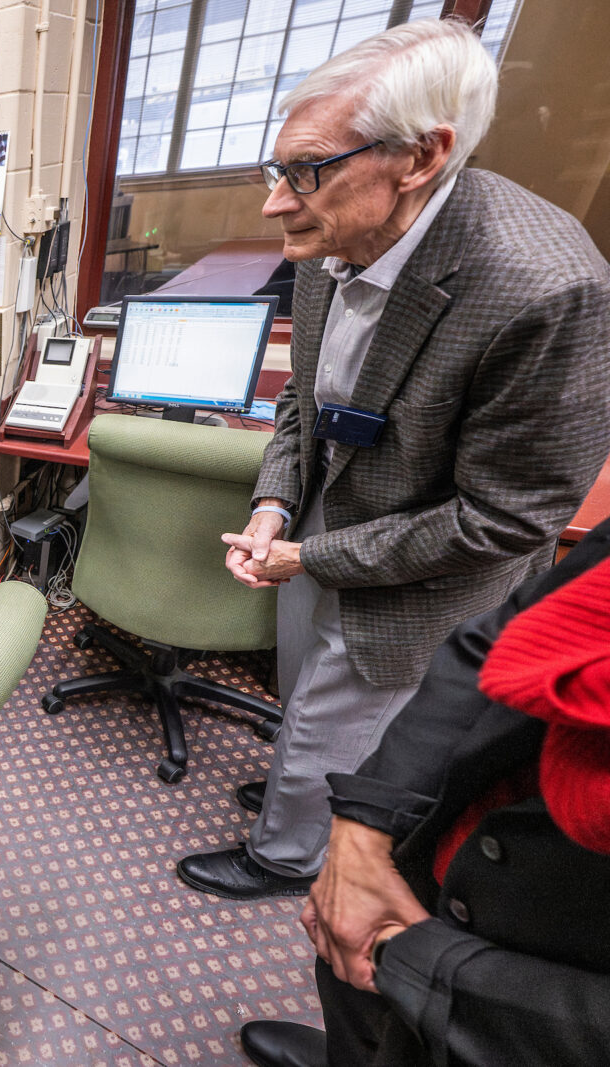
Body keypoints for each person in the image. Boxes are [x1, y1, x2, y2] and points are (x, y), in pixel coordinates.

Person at [176, 18, 610, 899]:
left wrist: (312, 553)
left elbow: (504, 519)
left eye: (306, 171)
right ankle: (298, 795)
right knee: (308, 700)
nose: (276, 203)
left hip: (428, 566)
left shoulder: (548, 289)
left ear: (421, 158)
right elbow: (302, 404)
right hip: (319, 519)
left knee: (346, 717)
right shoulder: (331, 234)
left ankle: (283, 856)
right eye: (276, 169)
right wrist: (272, 507)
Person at [238, 517, 610, 1067]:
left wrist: (420, 964)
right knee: (353, 988)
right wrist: (363, 833)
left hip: (544, 984)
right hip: (457, 826)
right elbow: (492, 640)